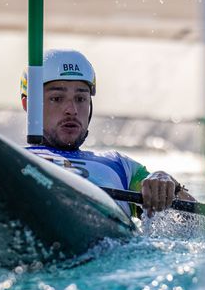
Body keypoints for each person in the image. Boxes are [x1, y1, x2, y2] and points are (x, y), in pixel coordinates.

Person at [20, 49, 196, 217]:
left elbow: (198, 229)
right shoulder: (11, 157)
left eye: (81, 99)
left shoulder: (120, 166)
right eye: (57, 99)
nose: (72, 110)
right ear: (29, 106)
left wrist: (169, 185)